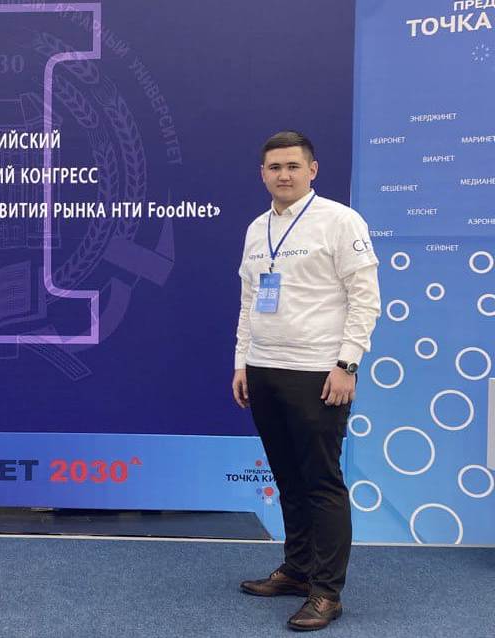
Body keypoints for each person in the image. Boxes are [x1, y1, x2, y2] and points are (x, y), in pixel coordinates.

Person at [232, 132, 380, 631]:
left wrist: (348, 364)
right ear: (263, 174)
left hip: (319, 372)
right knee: (288, 479)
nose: (284, 175)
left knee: (321, 482)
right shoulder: (257, 229)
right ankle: (297, 570)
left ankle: (326, 592)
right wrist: (241, 362)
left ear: (312, 170)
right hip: (263, 369)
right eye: (275, 167)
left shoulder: (340, 221)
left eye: (293, 166)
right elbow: (249, 302)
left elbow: (365, 298)